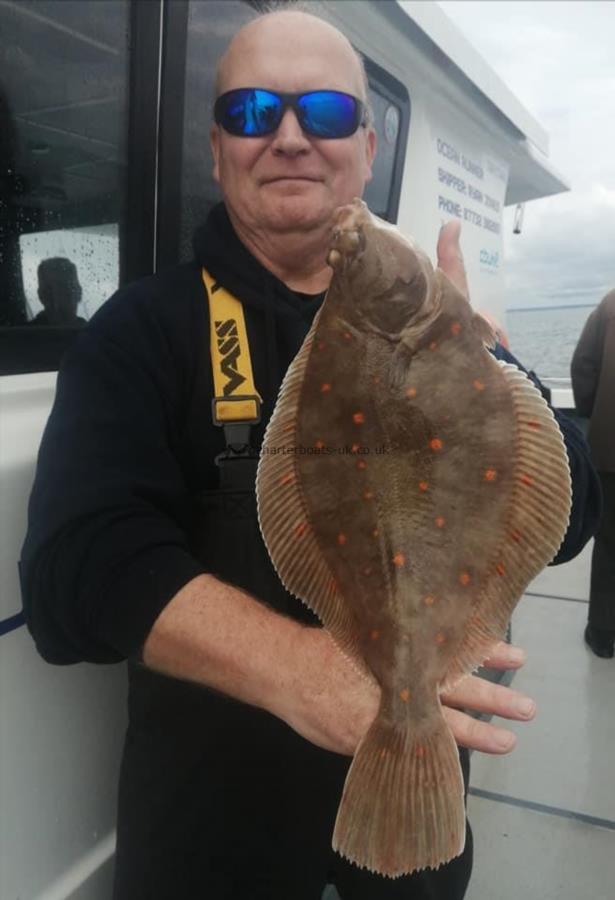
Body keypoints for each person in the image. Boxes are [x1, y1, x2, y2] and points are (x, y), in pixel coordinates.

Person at [19, 10, 600, 900]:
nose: (289, 135)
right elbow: (77, 568)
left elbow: (568, 521)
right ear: (217, 152)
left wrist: (485, 367)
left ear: (366, 149)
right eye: (252, 112)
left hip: (416, 848)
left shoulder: (449, 329)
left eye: (323, 112)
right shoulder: (137, 333)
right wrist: (306, 674)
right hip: (211, 847)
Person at [571, 289, 615, 658]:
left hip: (610, 448)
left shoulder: (610, 304)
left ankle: (602, 633)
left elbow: (583, 364)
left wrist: (593, 409)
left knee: (610, 543)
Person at [28, 257, 87, 327]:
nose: (57, 299)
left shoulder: (21, 335)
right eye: (49, 292)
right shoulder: (95, 333)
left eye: (65, 289)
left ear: (79, 293)